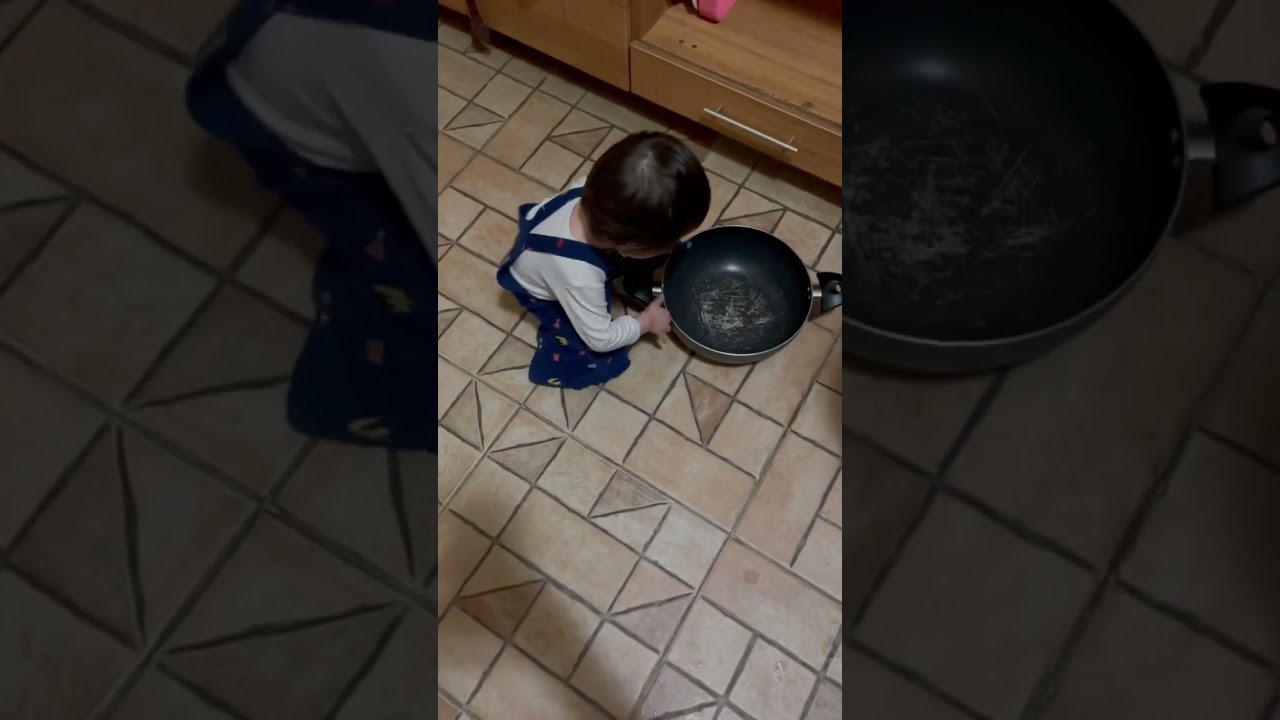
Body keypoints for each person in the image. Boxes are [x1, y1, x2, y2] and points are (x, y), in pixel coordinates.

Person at [184, 0, 438, 450]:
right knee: (419, 299)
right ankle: (358, 399)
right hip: (283, 118)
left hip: (333, 46)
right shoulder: (421, 86)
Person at [497, 131, 711, 389]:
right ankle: (565, 367)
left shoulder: (597, 190)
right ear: (627, 246)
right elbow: (600, 339)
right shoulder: (579, 277)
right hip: (544, 284)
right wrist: (645, 322)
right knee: (588, 351)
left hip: (552, 245)